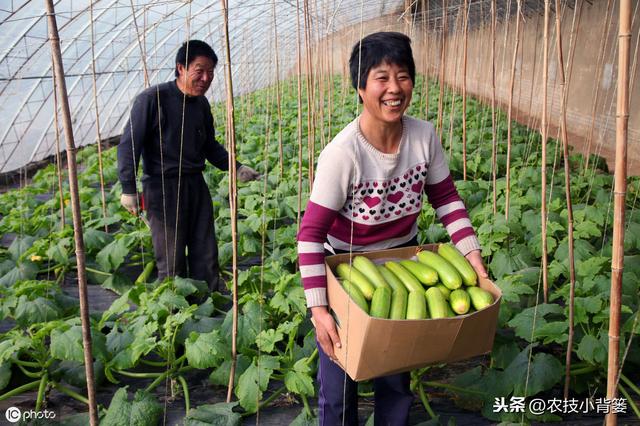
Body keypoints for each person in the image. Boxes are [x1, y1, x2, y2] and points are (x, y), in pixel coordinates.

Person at [296, 32, 488, 425]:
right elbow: (310, 235)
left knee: (397, 376)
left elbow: (447, 200)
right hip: (346, 268)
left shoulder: (423, 136)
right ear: (360, 87)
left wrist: (475, 262)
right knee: (338, 382)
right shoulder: (342, 154)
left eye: (403, 76)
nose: (394, 88)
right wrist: (319, 309)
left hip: (405, 258)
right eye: (381, 77)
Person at [118, 39, 259, 293]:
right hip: (162, 188)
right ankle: (172, 314)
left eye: (211, 73)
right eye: (199, 70)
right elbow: (129, 144)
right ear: (181, 68)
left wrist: (236, 167)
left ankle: (207, 301)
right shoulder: (152, 99)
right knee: (171, 259)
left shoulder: (201, 105)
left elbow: (209, 147)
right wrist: (128, 188)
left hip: (195, 184)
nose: (206, 78)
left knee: (205, 250)